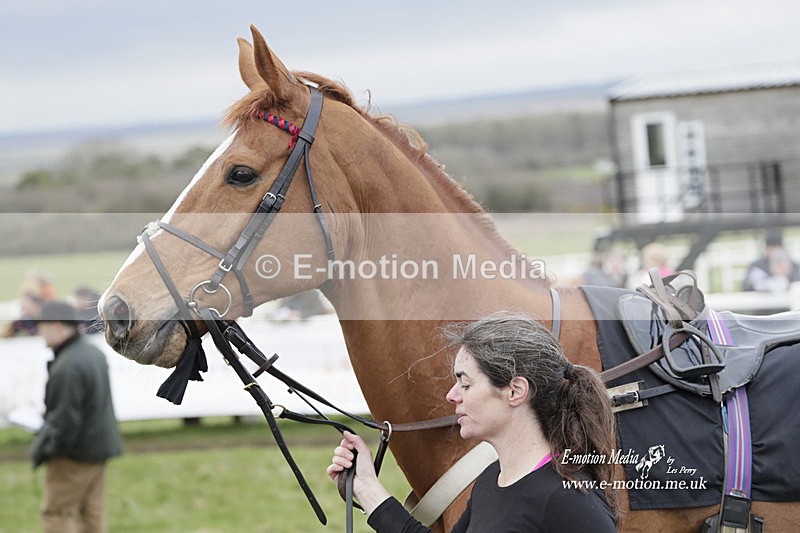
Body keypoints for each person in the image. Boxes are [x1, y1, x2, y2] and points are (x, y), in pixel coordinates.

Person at [327, 313, 618, 532]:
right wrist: (365, 487)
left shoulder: (568, 499)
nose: (451, 395)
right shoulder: (491, 480)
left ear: (515, 391)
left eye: (465, 384)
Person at [30, 300, 123, 533]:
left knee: (56, 514)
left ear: (56, 326)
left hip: (73, 456)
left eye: (41, 326)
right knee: (91, 516)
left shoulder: (67, 365)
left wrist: (47, 450)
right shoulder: (92, 353)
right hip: (97, 450)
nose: (39, 332)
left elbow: (65, 423)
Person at [742, 229, 800, 293]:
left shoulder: (794, 265)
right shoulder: (757, 266)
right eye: (771, 248)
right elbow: (746, 287)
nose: (774, 251)